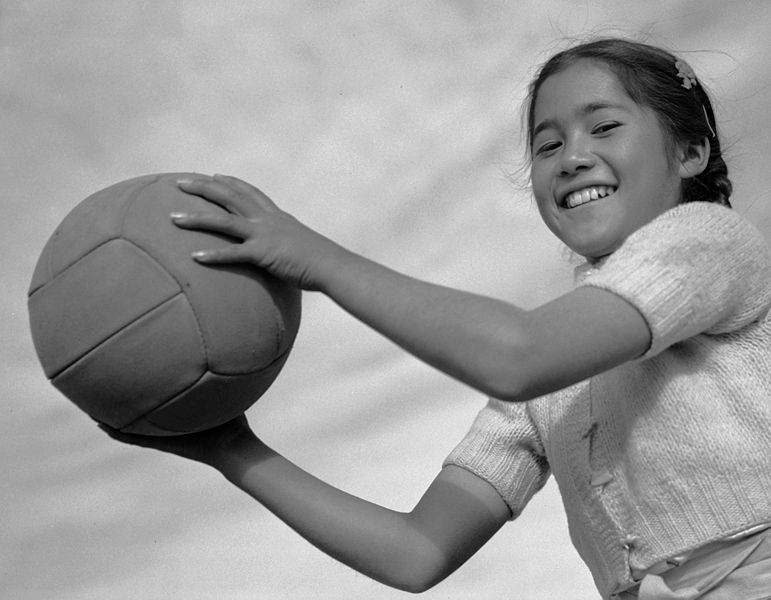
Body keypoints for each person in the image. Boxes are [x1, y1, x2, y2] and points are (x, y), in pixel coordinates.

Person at [102, 38, 771, 599]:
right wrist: (232, 451)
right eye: (545, 144)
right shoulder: (552, 395)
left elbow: (517, 355)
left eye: (603, 127)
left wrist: (319, 260)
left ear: (689, 153)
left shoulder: (708, 243)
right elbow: (415, 552)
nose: (571, 156)